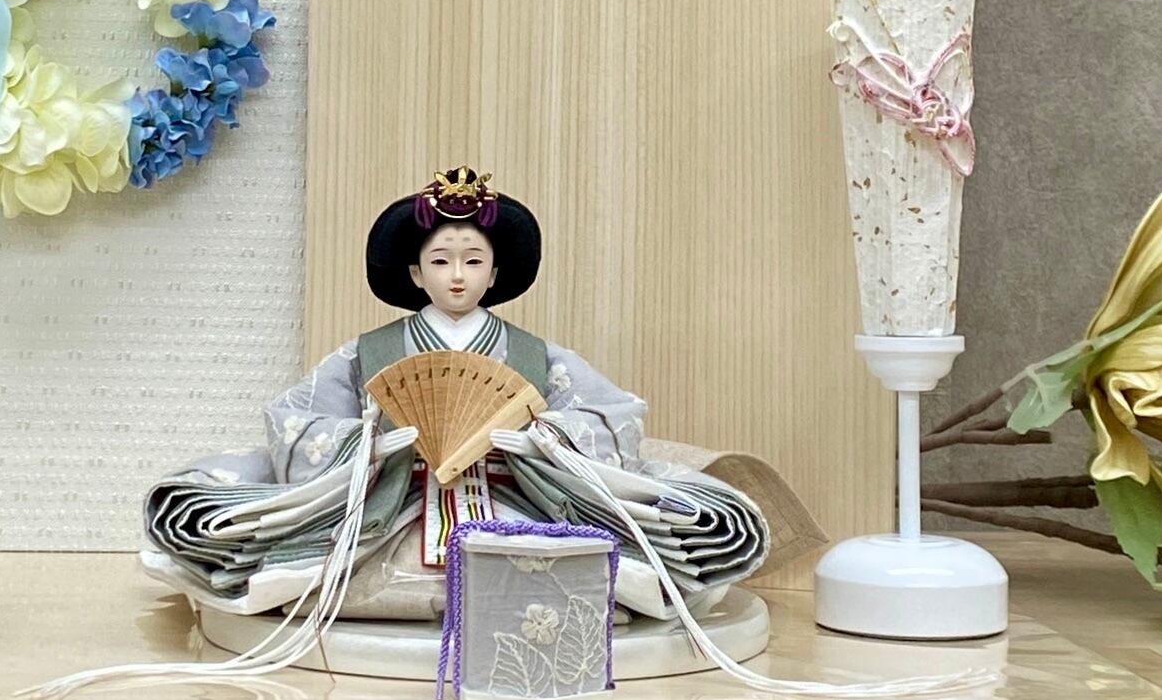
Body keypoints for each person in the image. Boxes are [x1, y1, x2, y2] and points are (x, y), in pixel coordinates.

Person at [141, 166, 811, 625]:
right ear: (415, 272)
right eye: (440, 261)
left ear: (495, 272)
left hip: (516, 495)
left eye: (471, 261)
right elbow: (296, 421)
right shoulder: (368, 353)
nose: (456, 275)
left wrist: (544, 440)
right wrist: (369, 444)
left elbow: (612, 416)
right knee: (301, 574)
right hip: (392, 504)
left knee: (616, 573)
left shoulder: (535, 357)